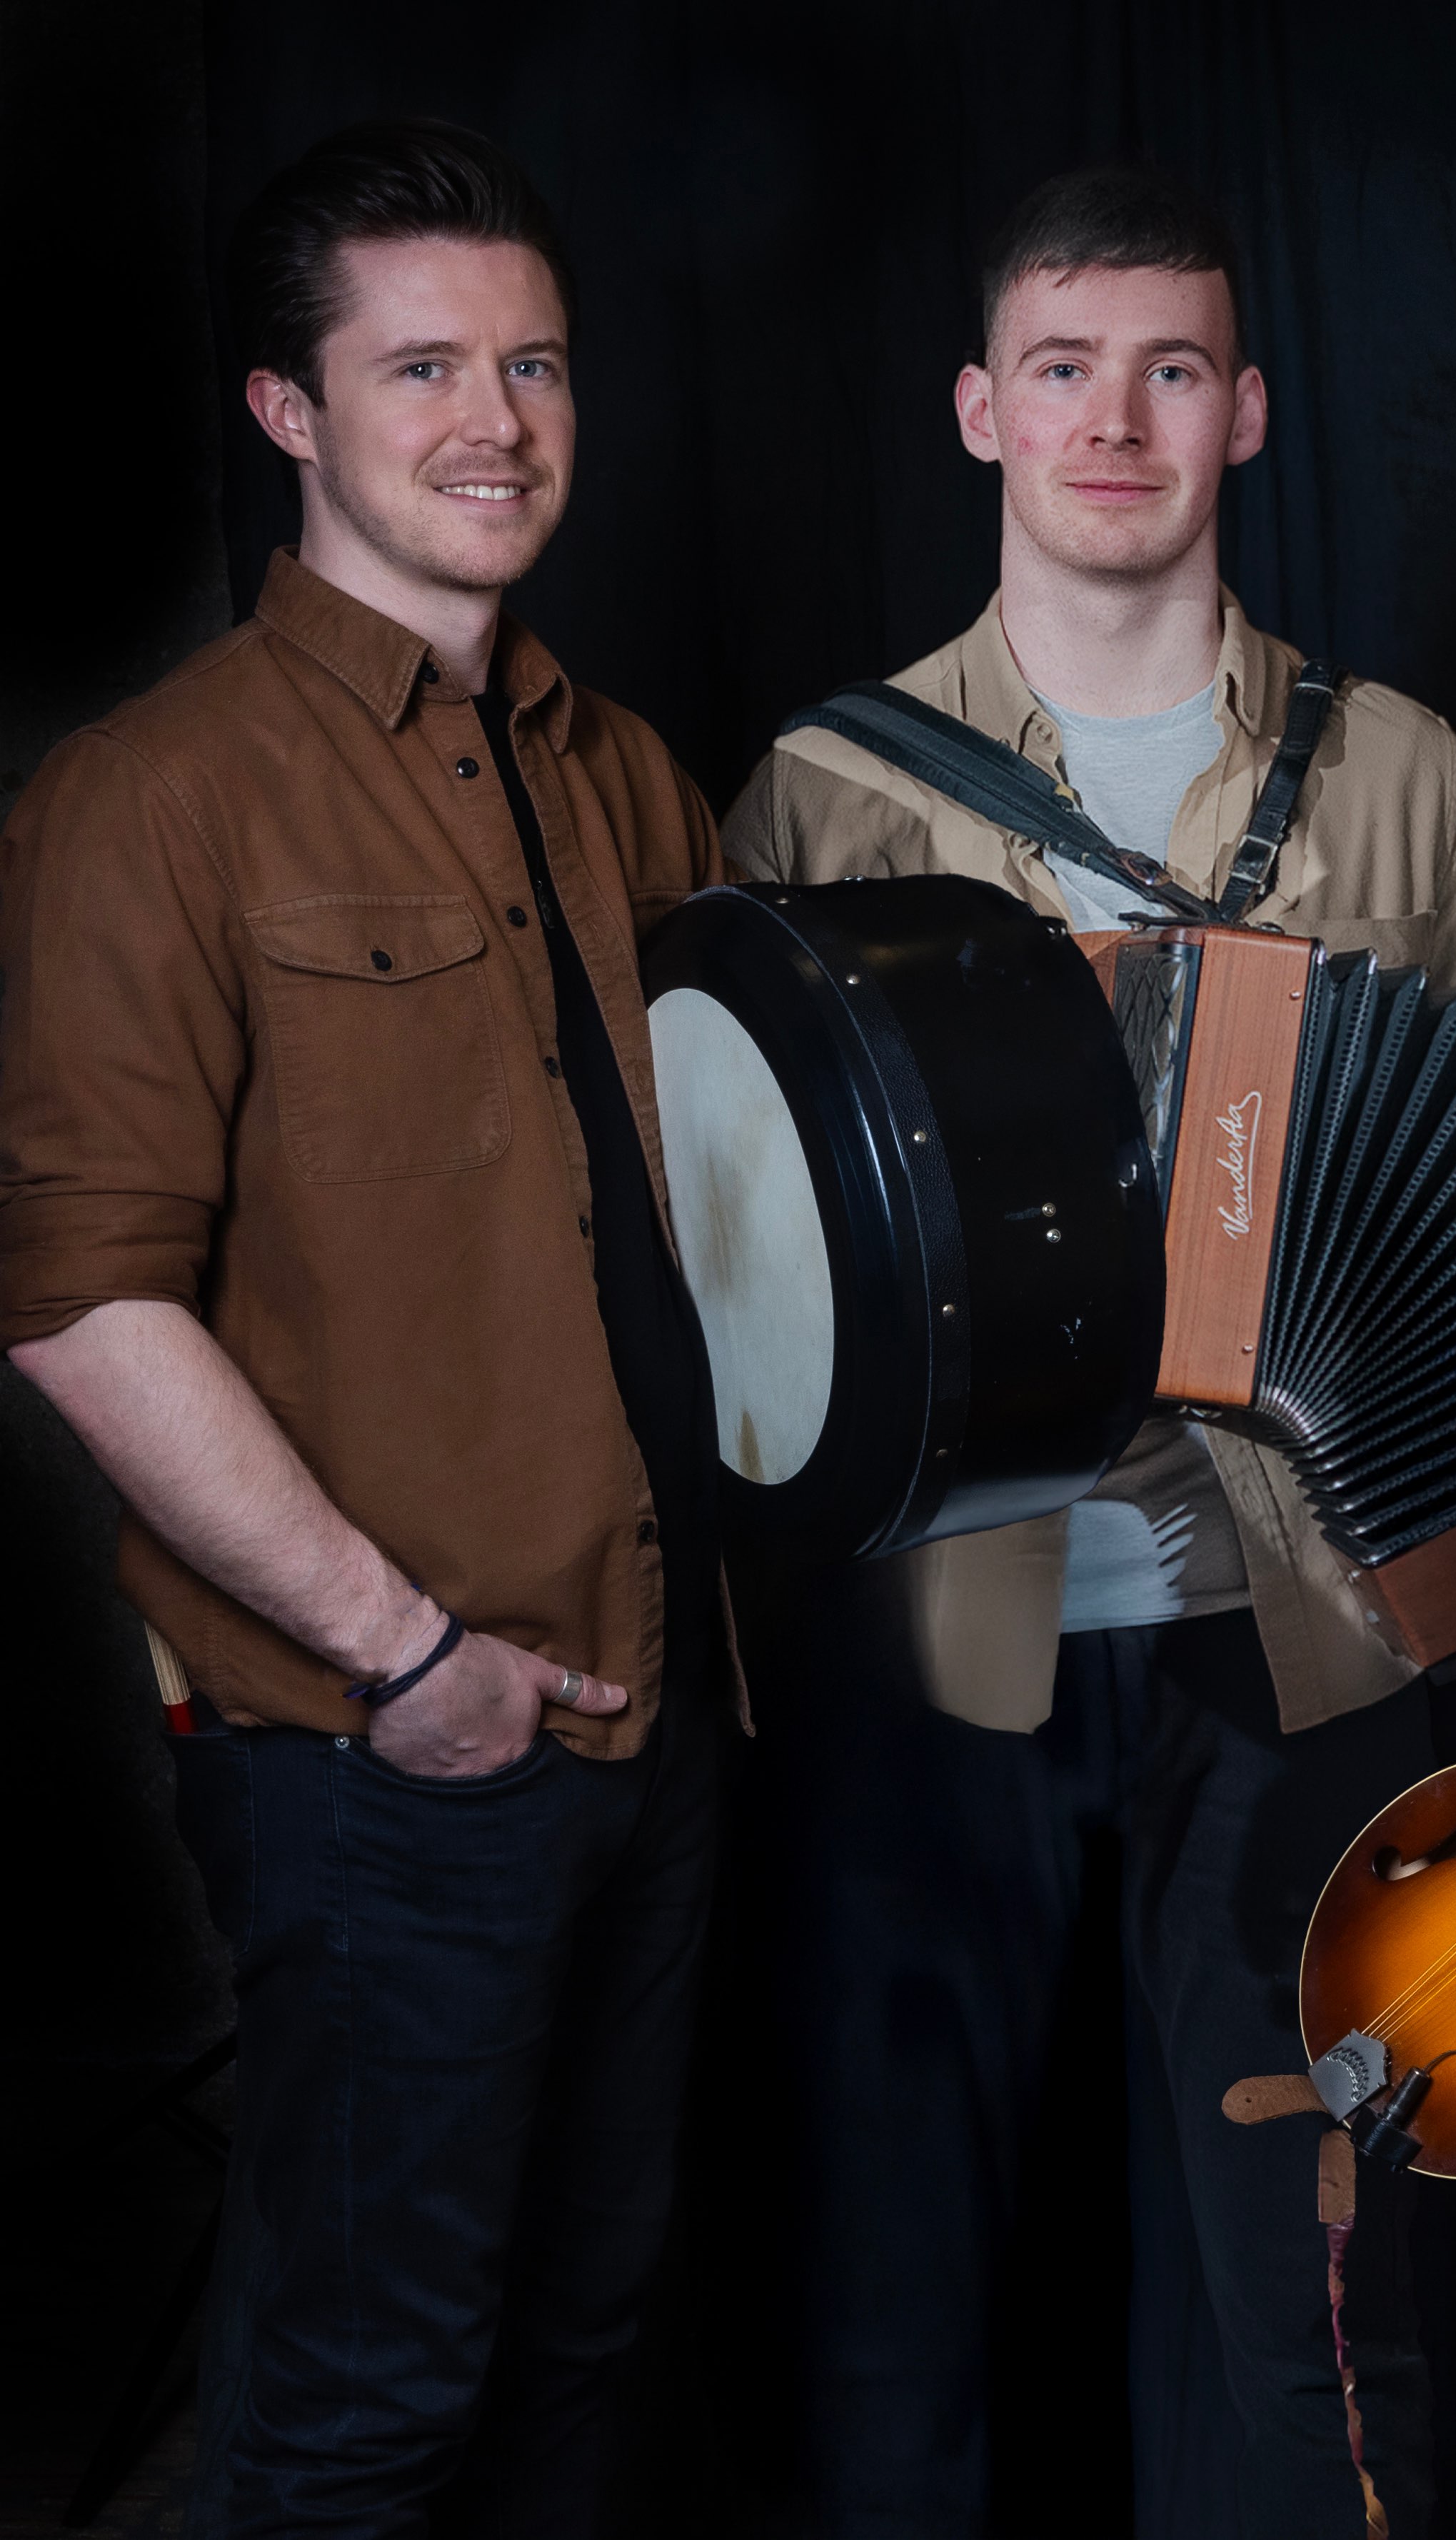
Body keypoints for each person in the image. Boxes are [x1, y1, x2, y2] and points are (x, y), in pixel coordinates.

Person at [721, 164, 1456, 2536]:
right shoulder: (828, 788)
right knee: (905, 2296)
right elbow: (743, 1255)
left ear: (1248, 413)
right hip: (935, 1655)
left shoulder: (1406, 779)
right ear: (980, 408)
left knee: (1321, 2312)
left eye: (1171, 369)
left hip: (1303, 1637)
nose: (1116, 420)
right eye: (1063, 370)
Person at [0, 123, 727, 2537]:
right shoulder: (155, 800)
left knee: (593, 2356)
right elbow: (81, 1300)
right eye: (420, 365)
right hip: (386, 1756)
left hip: (664, 1719)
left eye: (529, 359)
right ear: (288, 412)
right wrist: (408, 1659)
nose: (493, 417)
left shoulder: (628, 780)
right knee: (360, 2406)